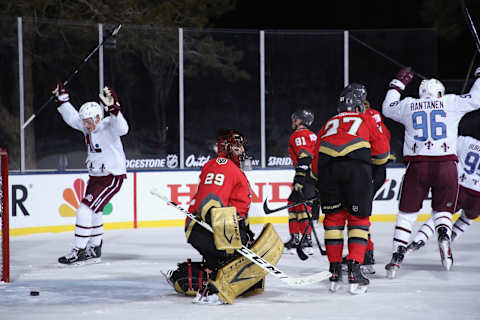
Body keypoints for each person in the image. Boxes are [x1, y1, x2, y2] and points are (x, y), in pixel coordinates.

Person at [382, 67, 480, 278]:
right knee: (443, 211)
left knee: (407, 214)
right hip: (446, 166)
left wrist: (397, 84)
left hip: (418, 166)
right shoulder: (450, 102)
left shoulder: (409, 105)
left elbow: (388, 108)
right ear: (440, 93)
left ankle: (397, 256)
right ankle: (444, 232)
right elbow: (476, 99)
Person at [165, 129, 283, 305]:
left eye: (242, 147)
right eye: (237, 147)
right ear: (226, 148)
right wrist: (229, 240)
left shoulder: (231, 169)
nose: (241, 151)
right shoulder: (221, 164)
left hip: (219, 229)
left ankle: (196, 276)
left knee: (252, 283)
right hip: (208, 230)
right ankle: (211, 289)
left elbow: (236, 209)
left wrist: (245, 234)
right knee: (239, 271)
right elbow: (210, 202)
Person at [311, 85, 390, 294]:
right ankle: (355, 268)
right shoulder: (366, 119)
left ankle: (334, 269)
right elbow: (382, 154)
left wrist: (317, 183)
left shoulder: (328, 123)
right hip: (356, 171)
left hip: (328, 171)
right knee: (358, 220)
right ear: (358, 106)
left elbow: (315, 160)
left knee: (333, 220)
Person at [54, 83, 129, 265]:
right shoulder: (87, 126)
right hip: (96, 177)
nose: (86, 125)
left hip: (111, 176)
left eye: (88, 121)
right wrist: (63, 100)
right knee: (95, 210)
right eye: (85, 121)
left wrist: (115, 109)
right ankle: (94, 247)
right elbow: (72, 118)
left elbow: (123, 129)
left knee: (84, 210)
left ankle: (78, 250)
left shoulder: (109, 125)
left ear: (98, 117)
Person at [340, 84, 394, 275]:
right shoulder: (374, 114)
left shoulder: (362, 117)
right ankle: (364, 253)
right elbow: (385, 136)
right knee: (359, 212)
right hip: (376, 168)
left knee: (357, 214)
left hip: (367, 169)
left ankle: (365, 255)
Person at [407, 135, 480, 252]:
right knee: (468, 218)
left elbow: (446, 146)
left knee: (441, 215)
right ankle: (451, 237)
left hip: (459, 187)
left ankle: (419, 239)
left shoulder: (466, 141)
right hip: (478, 196)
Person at [284, 109, 317, 255]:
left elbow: (305, 157)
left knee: (302, 207)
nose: (293, 121)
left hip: (306, 176)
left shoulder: (298, 135)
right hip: (314, 175)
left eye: (296, 119)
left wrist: (299, 178)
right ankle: (297, 238)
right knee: (293, 203)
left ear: (301, 121)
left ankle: (305, 240)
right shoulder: (313, 135)